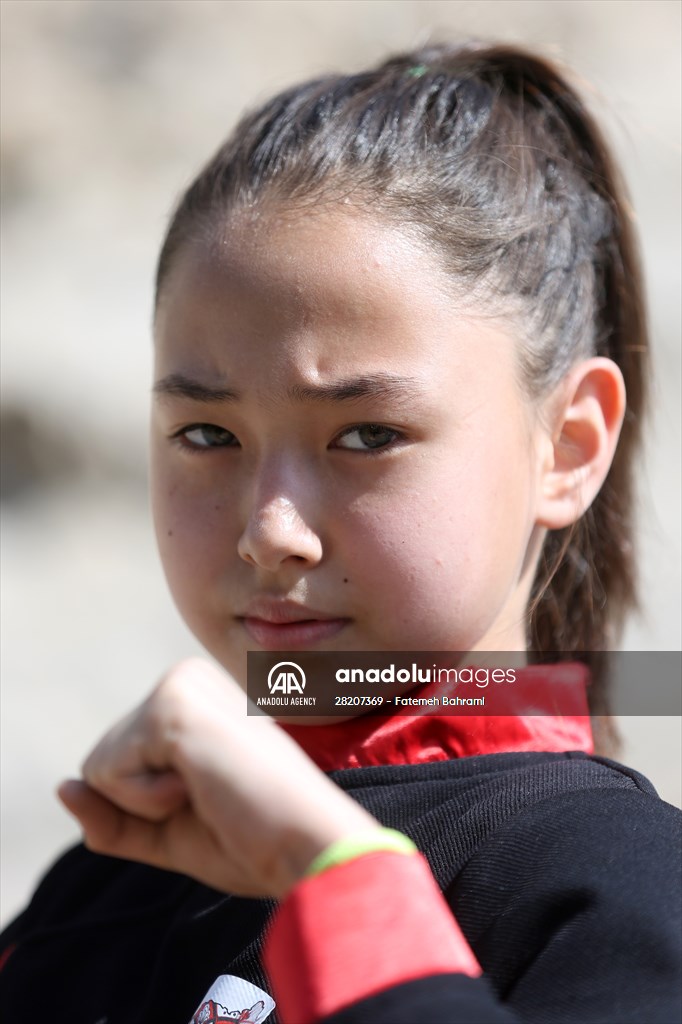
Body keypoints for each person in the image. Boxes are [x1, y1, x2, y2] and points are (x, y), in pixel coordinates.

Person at [1, 41, 680, 1024]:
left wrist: (336, 881)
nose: (270, 531)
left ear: (567, 447)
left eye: (367, 435)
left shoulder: (609, 888)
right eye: (206, 434)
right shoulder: (102, 888)